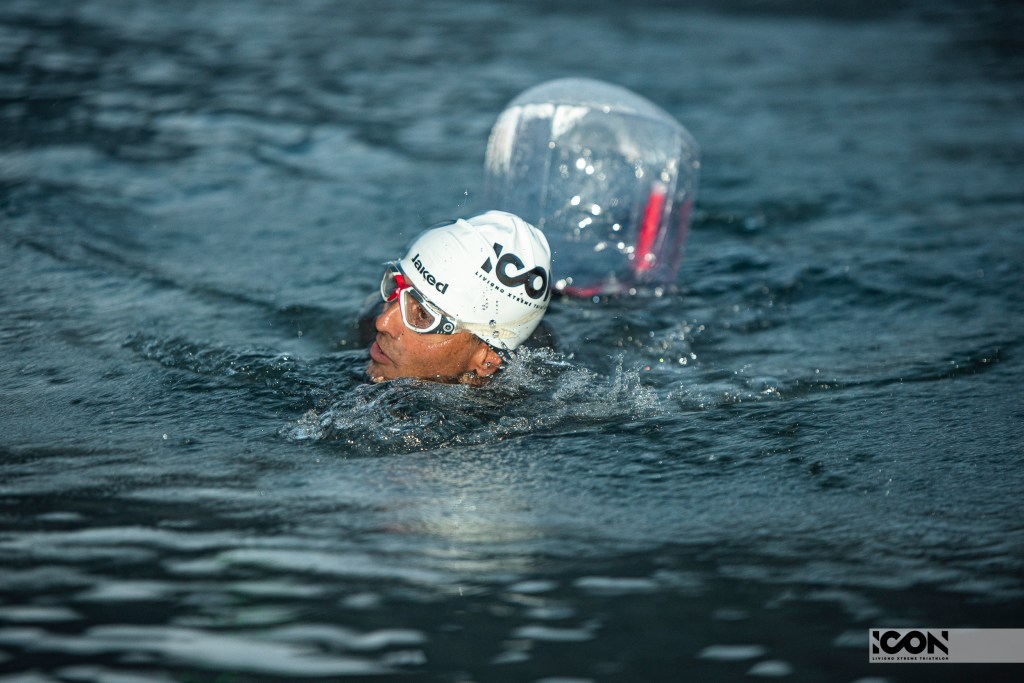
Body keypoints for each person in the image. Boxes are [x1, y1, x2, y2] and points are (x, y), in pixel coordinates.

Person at [367, 210, 552, 385]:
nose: (382, 322)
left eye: (422, 315)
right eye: (396, 286)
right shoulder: (365, 327)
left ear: (486, 360)